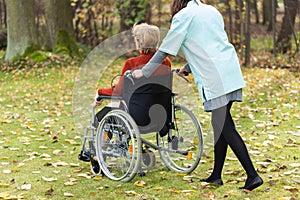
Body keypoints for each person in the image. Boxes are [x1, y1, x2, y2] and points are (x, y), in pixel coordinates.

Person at [132, 0, 263, 191]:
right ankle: (216, 175)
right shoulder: (211, 11)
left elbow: (164, 51)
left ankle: (252, 175)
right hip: (229, 70)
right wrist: (188, 68)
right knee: (219, 124)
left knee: (226, 126)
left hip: (215, 78)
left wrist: (143, 72)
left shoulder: (183, 16)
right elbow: (209, 46)